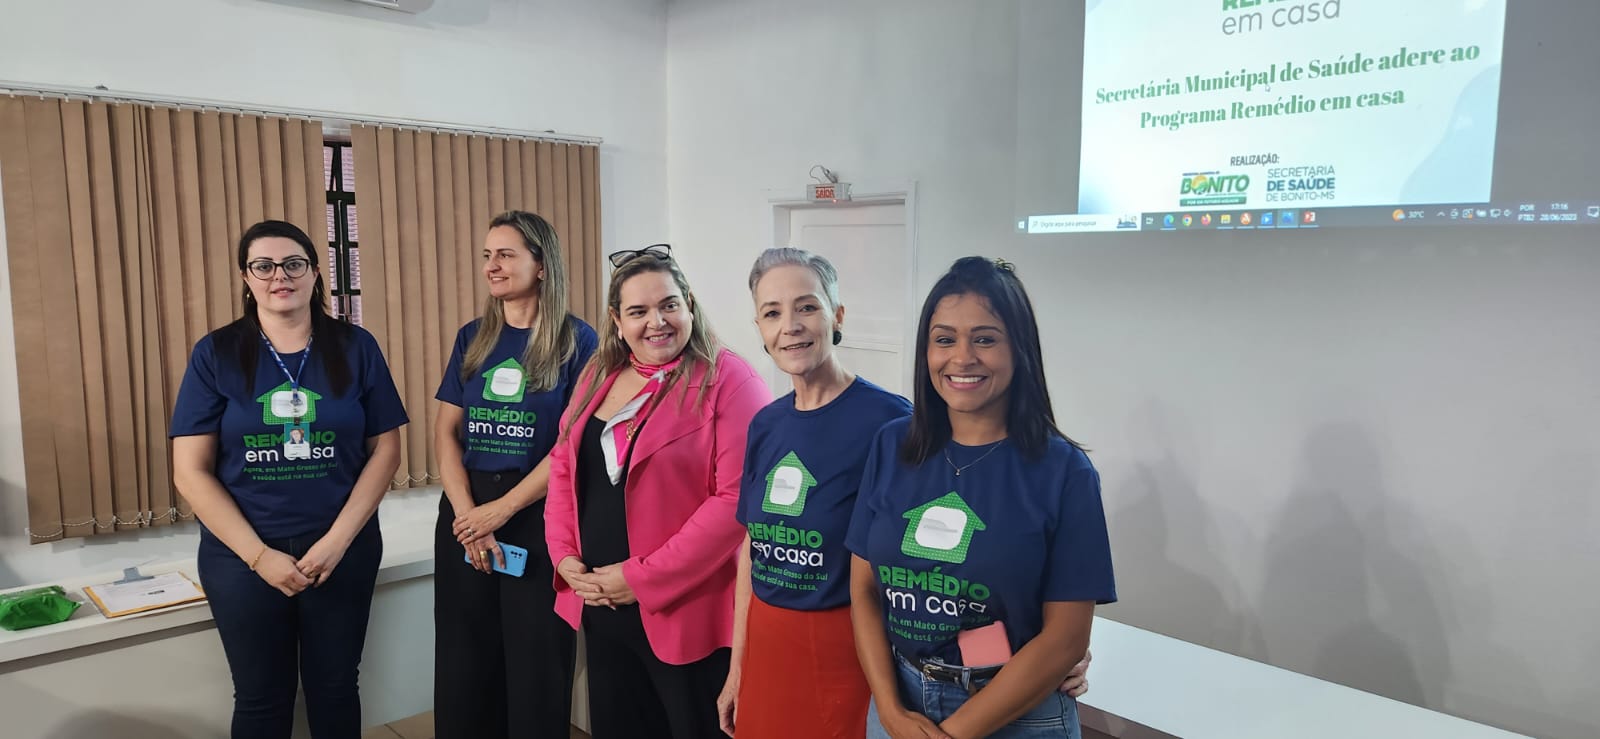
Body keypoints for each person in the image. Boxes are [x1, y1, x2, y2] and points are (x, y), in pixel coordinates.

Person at [846, 257, 1116, 739]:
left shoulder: (1064, 471)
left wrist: (954, 734)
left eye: (985, 339)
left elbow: (1066, 638)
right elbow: (864, 591)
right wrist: (889, 710)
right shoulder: (892, 446)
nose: (962, 357)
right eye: (944, 339)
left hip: (1018, 711)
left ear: (1020, 350)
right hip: (902, 704)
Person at [171, 219, 407, 739]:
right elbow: (190, 471)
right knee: (260, 698)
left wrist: (337, 542)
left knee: (337, 687)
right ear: (246, 276)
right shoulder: (217, 353)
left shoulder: (355, 346)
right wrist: (258, 556)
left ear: (315, 273)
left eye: (294, 263)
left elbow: (385, 449)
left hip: (341, 551)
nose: (281, 275)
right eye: (264, 265)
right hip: (242, 559)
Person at [544, 243, 769, 739]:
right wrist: (563, 557)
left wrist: (641, 579)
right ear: (616, 320)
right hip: (602, 605)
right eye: (638, 311)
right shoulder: (599, 373)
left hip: (685, 614)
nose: (657, 321)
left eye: (669, 304)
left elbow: (736, 501)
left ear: (689, 303)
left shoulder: (730, 380)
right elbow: (563, 466)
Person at [715, 247, 913, 738]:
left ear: (836, 315)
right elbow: (752, 550)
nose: (791, 325)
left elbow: (934, 557)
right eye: (772, 313)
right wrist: (738, 666)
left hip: (850, 651)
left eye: (807, 307)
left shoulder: (891, 422)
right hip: (768, 646)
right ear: (760, 329)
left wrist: (1008, 644)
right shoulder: (766, 424)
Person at [431, 211, 598, 738]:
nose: (492, 266)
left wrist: (500, 512)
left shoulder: (578, 341)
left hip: (538, 516)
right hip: (466, 513)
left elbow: (571, 445)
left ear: (542, 265)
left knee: (536, 664)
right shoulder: (473, 338)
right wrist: (468, 517)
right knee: (465, 663)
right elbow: (445, 435)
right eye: (487, 255)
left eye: (505, 254)